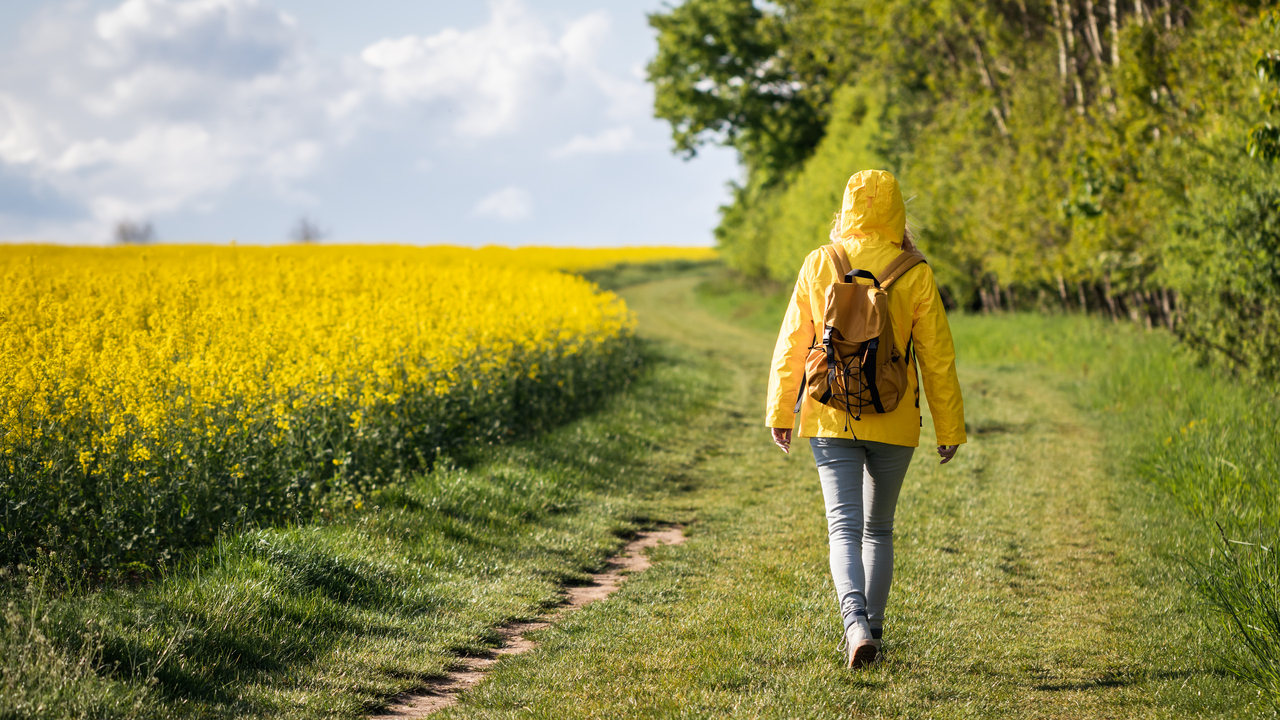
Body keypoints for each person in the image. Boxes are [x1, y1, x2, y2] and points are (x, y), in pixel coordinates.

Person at [764, 169, 966, 669]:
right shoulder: (914, 270)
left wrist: (780, 410)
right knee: (879, 530)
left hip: (831, 414)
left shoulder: (821, 263)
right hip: (895, 417)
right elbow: (937, 357)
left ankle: (853, 626)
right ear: (898, 212)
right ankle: (872, 630)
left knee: (843, 529)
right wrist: (949, 428)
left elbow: (793, 342)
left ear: (846, 209)